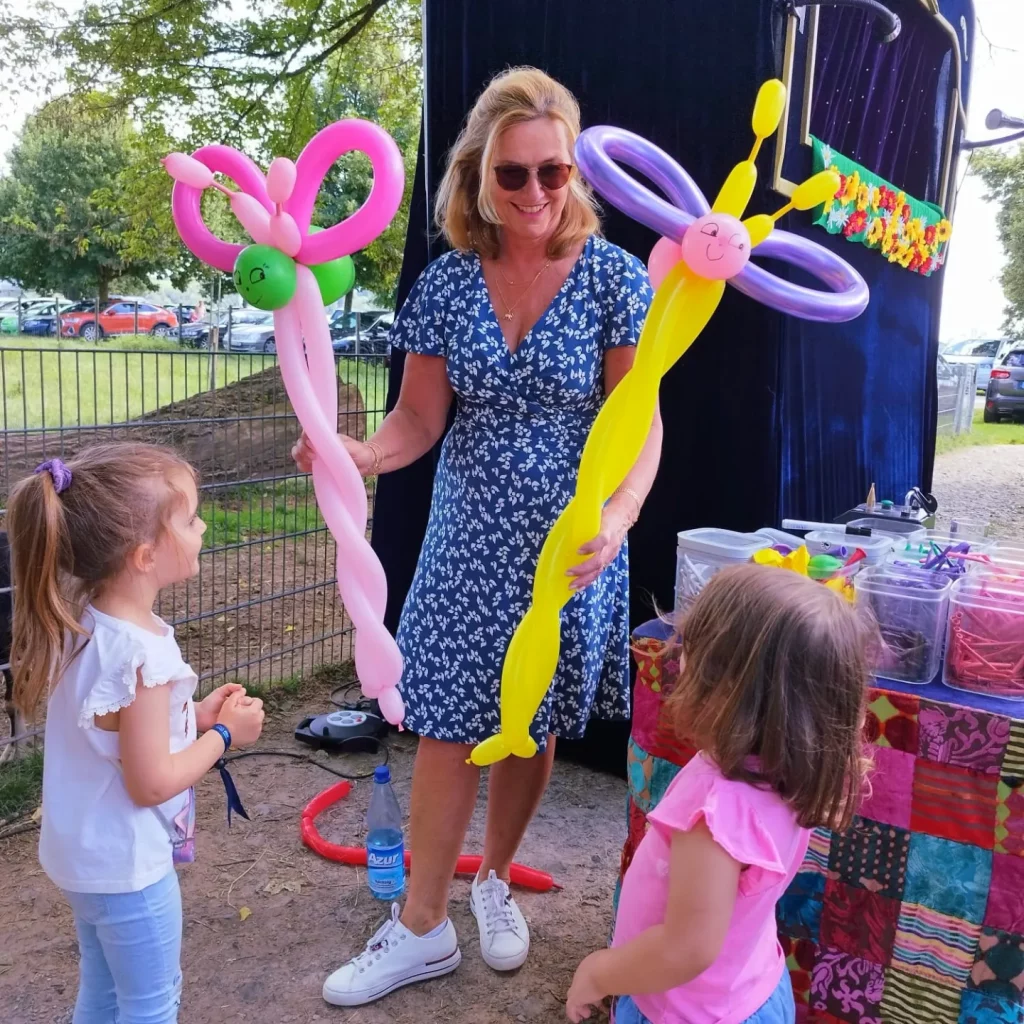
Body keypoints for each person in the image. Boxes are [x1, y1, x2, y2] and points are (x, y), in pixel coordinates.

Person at [293, 66, 661, 1006]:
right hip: (466, 541)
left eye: (554, 172)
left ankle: (493, 879)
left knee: (526, 723)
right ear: (477, 177)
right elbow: (418, 419)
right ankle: (421, 925)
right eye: (514, 175)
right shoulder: (450, 284)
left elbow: (640, 423)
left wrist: (619, 520)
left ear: (575, 172)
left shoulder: (617, 279)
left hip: (568, 548)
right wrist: (363, 454)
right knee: (450, 723)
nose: (536, 193)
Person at [7, 443, 265, 1024]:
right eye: (192, 519)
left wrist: (194, 716)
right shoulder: (144, 658)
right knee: (150, 1007)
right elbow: (150, 782)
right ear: (146, 555)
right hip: (129, 871)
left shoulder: (84, 625)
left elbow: (116, 731)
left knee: (100, 996)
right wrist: (223, 735)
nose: (203, 527)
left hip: (83, 860)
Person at [566, 564, 874, 1024]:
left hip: (682, 1009)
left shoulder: (716, 814)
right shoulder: (786, 770)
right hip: (751, 987)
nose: (678, 655)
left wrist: (600, 973)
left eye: (693, 647)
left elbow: (686, 948)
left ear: (732, 688)